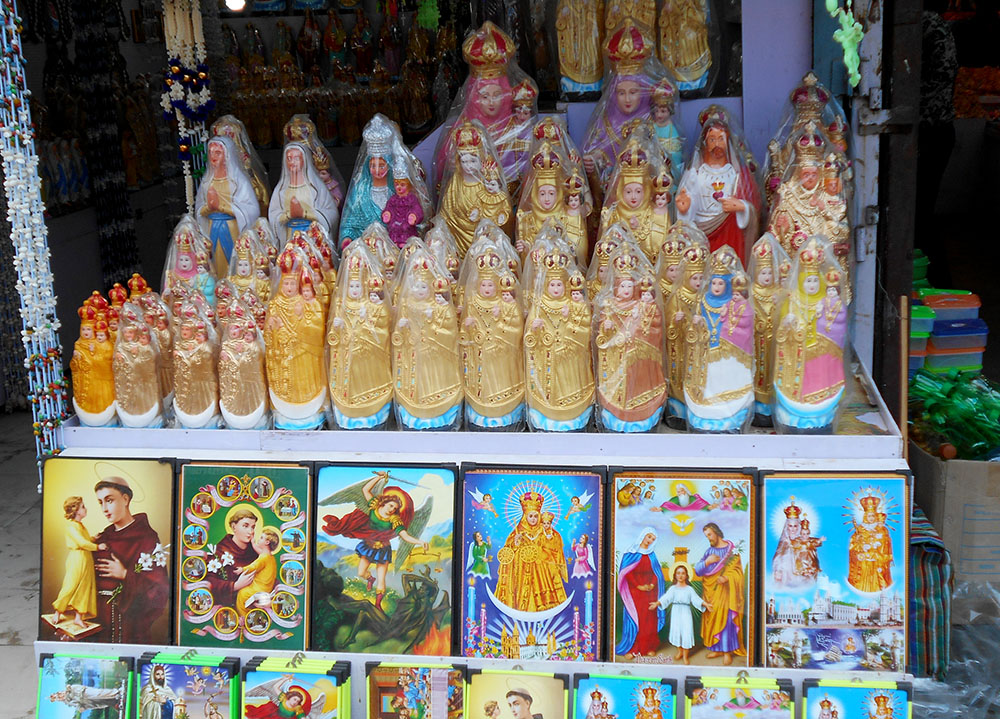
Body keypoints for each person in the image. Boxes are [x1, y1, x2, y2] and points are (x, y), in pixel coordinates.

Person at [321, 473, 428, 610]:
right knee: (361, 573)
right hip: (369, 546)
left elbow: (405, 536)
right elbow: (365, 489)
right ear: (384, 503)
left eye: (395, 509)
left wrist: (420, 542)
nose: (392, 510)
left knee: (382, 578)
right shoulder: (373, 506)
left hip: (383, 550)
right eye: (391, 506)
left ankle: (378, 604)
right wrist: (380, 478)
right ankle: (370, 579)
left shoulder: (395, 520)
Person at [675, 106, 760, 263]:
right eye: (712, 139)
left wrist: (742, 207)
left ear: (728, 142)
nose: (717, 145)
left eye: (721, 139)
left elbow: (753, 207)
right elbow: (686, 203)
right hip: (701, 237)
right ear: (705, 143)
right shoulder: (695, 173)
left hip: (730, 233)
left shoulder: (738, 174)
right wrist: (685, 208)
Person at [92, 476, 170, 644]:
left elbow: (160, 589)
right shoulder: (102, 539)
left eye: (109, 500)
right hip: (100, 624)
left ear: (125, 499)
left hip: (130, 628)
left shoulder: (147, 538)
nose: (104, 509)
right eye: (100, 503)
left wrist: (125, 574)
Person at [195, 135, 260, 276]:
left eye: (218, 153)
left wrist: (224, 208)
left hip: (232, 229)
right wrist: (207, 208)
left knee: (234, 263)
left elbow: (252, 209)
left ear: (227, 156)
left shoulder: (238, 181)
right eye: (211, 153)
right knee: (216, 265)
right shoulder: (207, 181)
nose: (213, 157)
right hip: (211, 228)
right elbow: (199, 208)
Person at [494, 491, 569, 612]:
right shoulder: (517, 532)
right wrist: (516, 544)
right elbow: (507, 554)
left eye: (535, 516)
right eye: (530, 516)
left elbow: (555, 549)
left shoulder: (546, 531)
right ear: (525, 516)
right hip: (522, 574)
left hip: (542, 573)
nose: (533, 519)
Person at [693, 522, 746, 665]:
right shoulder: (709, 552)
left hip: (726, 592)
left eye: (709, 534)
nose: (708, 538)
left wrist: (727, 578)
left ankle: (727, 652)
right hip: (710, 591)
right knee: (713, 619)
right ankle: (716, 648)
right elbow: (697, 570)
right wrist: (707, 562)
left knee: (726, 619)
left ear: (716, 532)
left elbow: (737, 572)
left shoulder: (732, 551)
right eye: (706, 536)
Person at [268, 142, 340, 246]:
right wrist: (288, 215)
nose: (292, 162)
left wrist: (305, 214)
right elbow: (273, 215)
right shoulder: (281, 190)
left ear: (304, 160)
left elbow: (331, 213)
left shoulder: (315, 188)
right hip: (290, 237)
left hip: (312, 236)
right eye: (289, 158)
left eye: (296, 158)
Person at [51, 496, 106, 628]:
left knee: (84, 588)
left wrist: (93, 538)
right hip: (77, 559)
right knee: (71, 585)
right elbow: (81, 543)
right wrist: (98, 547)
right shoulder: (71, 527)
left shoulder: (80, 526)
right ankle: (58, 612)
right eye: (82, 507)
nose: (85, 509)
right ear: (75, 510)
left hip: (86, 558)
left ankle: (78, 617)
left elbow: (85, 540)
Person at [615, 527, 665, 657]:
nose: (650, 541)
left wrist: (653, 584)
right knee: (637, 619)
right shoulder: (630, 554)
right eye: (649, 537)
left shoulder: (652, 555)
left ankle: (649, 647)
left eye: (653, 539)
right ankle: (634, 649)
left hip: (650, 592)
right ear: (643, 535)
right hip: (635, 593)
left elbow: (657, 573)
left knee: (650, 620)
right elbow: (627, 573)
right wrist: (639, 586)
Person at [650, 564, 709, 664]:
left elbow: (695, 599)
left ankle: (685, 656)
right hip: (676, 612)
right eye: (678, 573)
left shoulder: (689, 589)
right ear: (675, 575)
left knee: (686, 632)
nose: (680, 576)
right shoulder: (673, 589)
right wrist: (657, 603)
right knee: (676, 631)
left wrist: (705, 604)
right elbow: (666, 598)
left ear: (686, 575)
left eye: (683, 573)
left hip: (686, 612)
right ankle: (680, 652)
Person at [848, 494, 894, 593]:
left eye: (873, 515)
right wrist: (861, 547)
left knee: (879, 583)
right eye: (869, 516)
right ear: (865, 516)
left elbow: (886, 545)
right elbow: (853, 545)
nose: (871, 518)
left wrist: (878, 545)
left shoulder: (882, 529)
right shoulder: (860, 529)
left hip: (877, 562)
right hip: (863, 562)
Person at [234, 526, 280, 618]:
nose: (259, 539)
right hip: (266, 587)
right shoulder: (269, 556)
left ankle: (244, 616)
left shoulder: (263, 558)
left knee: (242, 594)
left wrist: (242, 570)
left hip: (259, 588)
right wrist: (252, 542)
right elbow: (259, 551)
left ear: (267, 542)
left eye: (262, 538)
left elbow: (254, 566)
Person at [49, 684, 124, 712]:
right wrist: (80, 708)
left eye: (59, 695)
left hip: (86, 694)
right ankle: (115, 702)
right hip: (87, 702)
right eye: (58, 698)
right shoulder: (68, 702)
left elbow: (80, 689)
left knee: (99, 694)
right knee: (101, 702)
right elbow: (78, 706)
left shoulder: (71, 688)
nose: (60, 697)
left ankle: (117, 692)